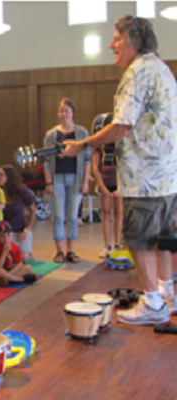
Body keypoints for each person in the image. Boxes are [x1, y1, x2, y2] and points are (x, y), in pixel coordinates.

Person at [62, 15, 177, 325]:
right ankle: (167, 294)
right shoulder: (163, 69)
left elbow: (121, 126)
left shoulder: (137, 72)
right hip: (169, 177)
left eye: (117, 38)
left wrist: (83, 144)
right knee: (164, 238)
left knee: (138, 239)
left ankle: (153, 303)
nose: (111, 44)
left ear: (134, 42)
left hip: (145, 178)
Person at [44, 98, 91, 264]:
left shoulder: (82, 133)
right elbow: (47, 160)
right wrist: (48, 182)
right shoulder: (51, 134)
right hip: (57, 177)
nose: (63, 114)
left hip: (75, 177)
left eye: (66, 110)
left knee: (72, 215)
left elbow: (87, 159)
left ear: (73, 113)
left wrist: (86, 181)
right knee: (58, 215)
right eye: (61, 111)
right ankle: (59, 251)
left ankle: (70, 250)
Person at [0, 165, 36, 262]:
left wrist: (26, 230)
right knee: (5, 258)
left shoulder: (22, 190)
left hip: (20, 231)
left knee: (23, 258)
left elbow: (33, 211)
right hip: (3, 233)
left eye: (0, 175)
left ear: (8, 176)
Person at [92, 147, 123, 258]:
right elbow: (95, 166)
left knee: (119, 213)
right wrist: (102, 186)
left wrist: (120, 187)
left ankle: (118, 245)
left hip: (119, 182)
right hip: (104, 182)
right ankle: (107, 246)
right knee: (106, 213)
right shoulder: (100, 146)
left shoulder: (121, 144)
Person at [0, 221, 37, 287]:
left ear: (12, 234)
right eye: (2, 236)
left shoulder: (14, 246)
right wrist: (4, 252)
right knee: (0, 272)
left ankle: (7, 279)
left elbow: (19, 263)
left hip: (9, 270)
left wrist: (11, 273)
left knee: (28, 268)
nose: (6, 238)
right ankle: (22, 279)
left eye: (8, 235)